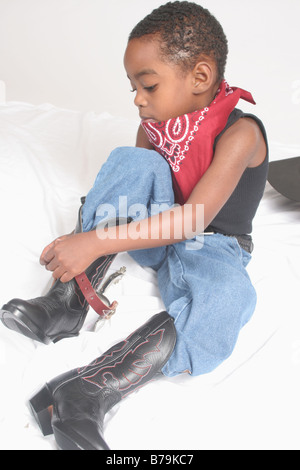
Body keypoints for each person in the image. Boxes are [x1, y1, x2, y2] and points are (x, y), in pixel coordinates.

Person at [0, 1, 268, 450]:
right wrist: (95, 237)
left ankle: (86, 392)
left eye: (148, 86)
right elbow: (138, 185)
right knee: (133, 161)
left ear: (200, 78)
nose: (139, 100)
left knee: (229, 300)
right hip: (157, 230)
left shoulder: (242, 134)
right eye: (134, 88)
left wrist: (96, 239)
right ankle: (67, 303)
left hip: (211, 245)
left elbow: (196, 218)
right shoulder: (156, 124)